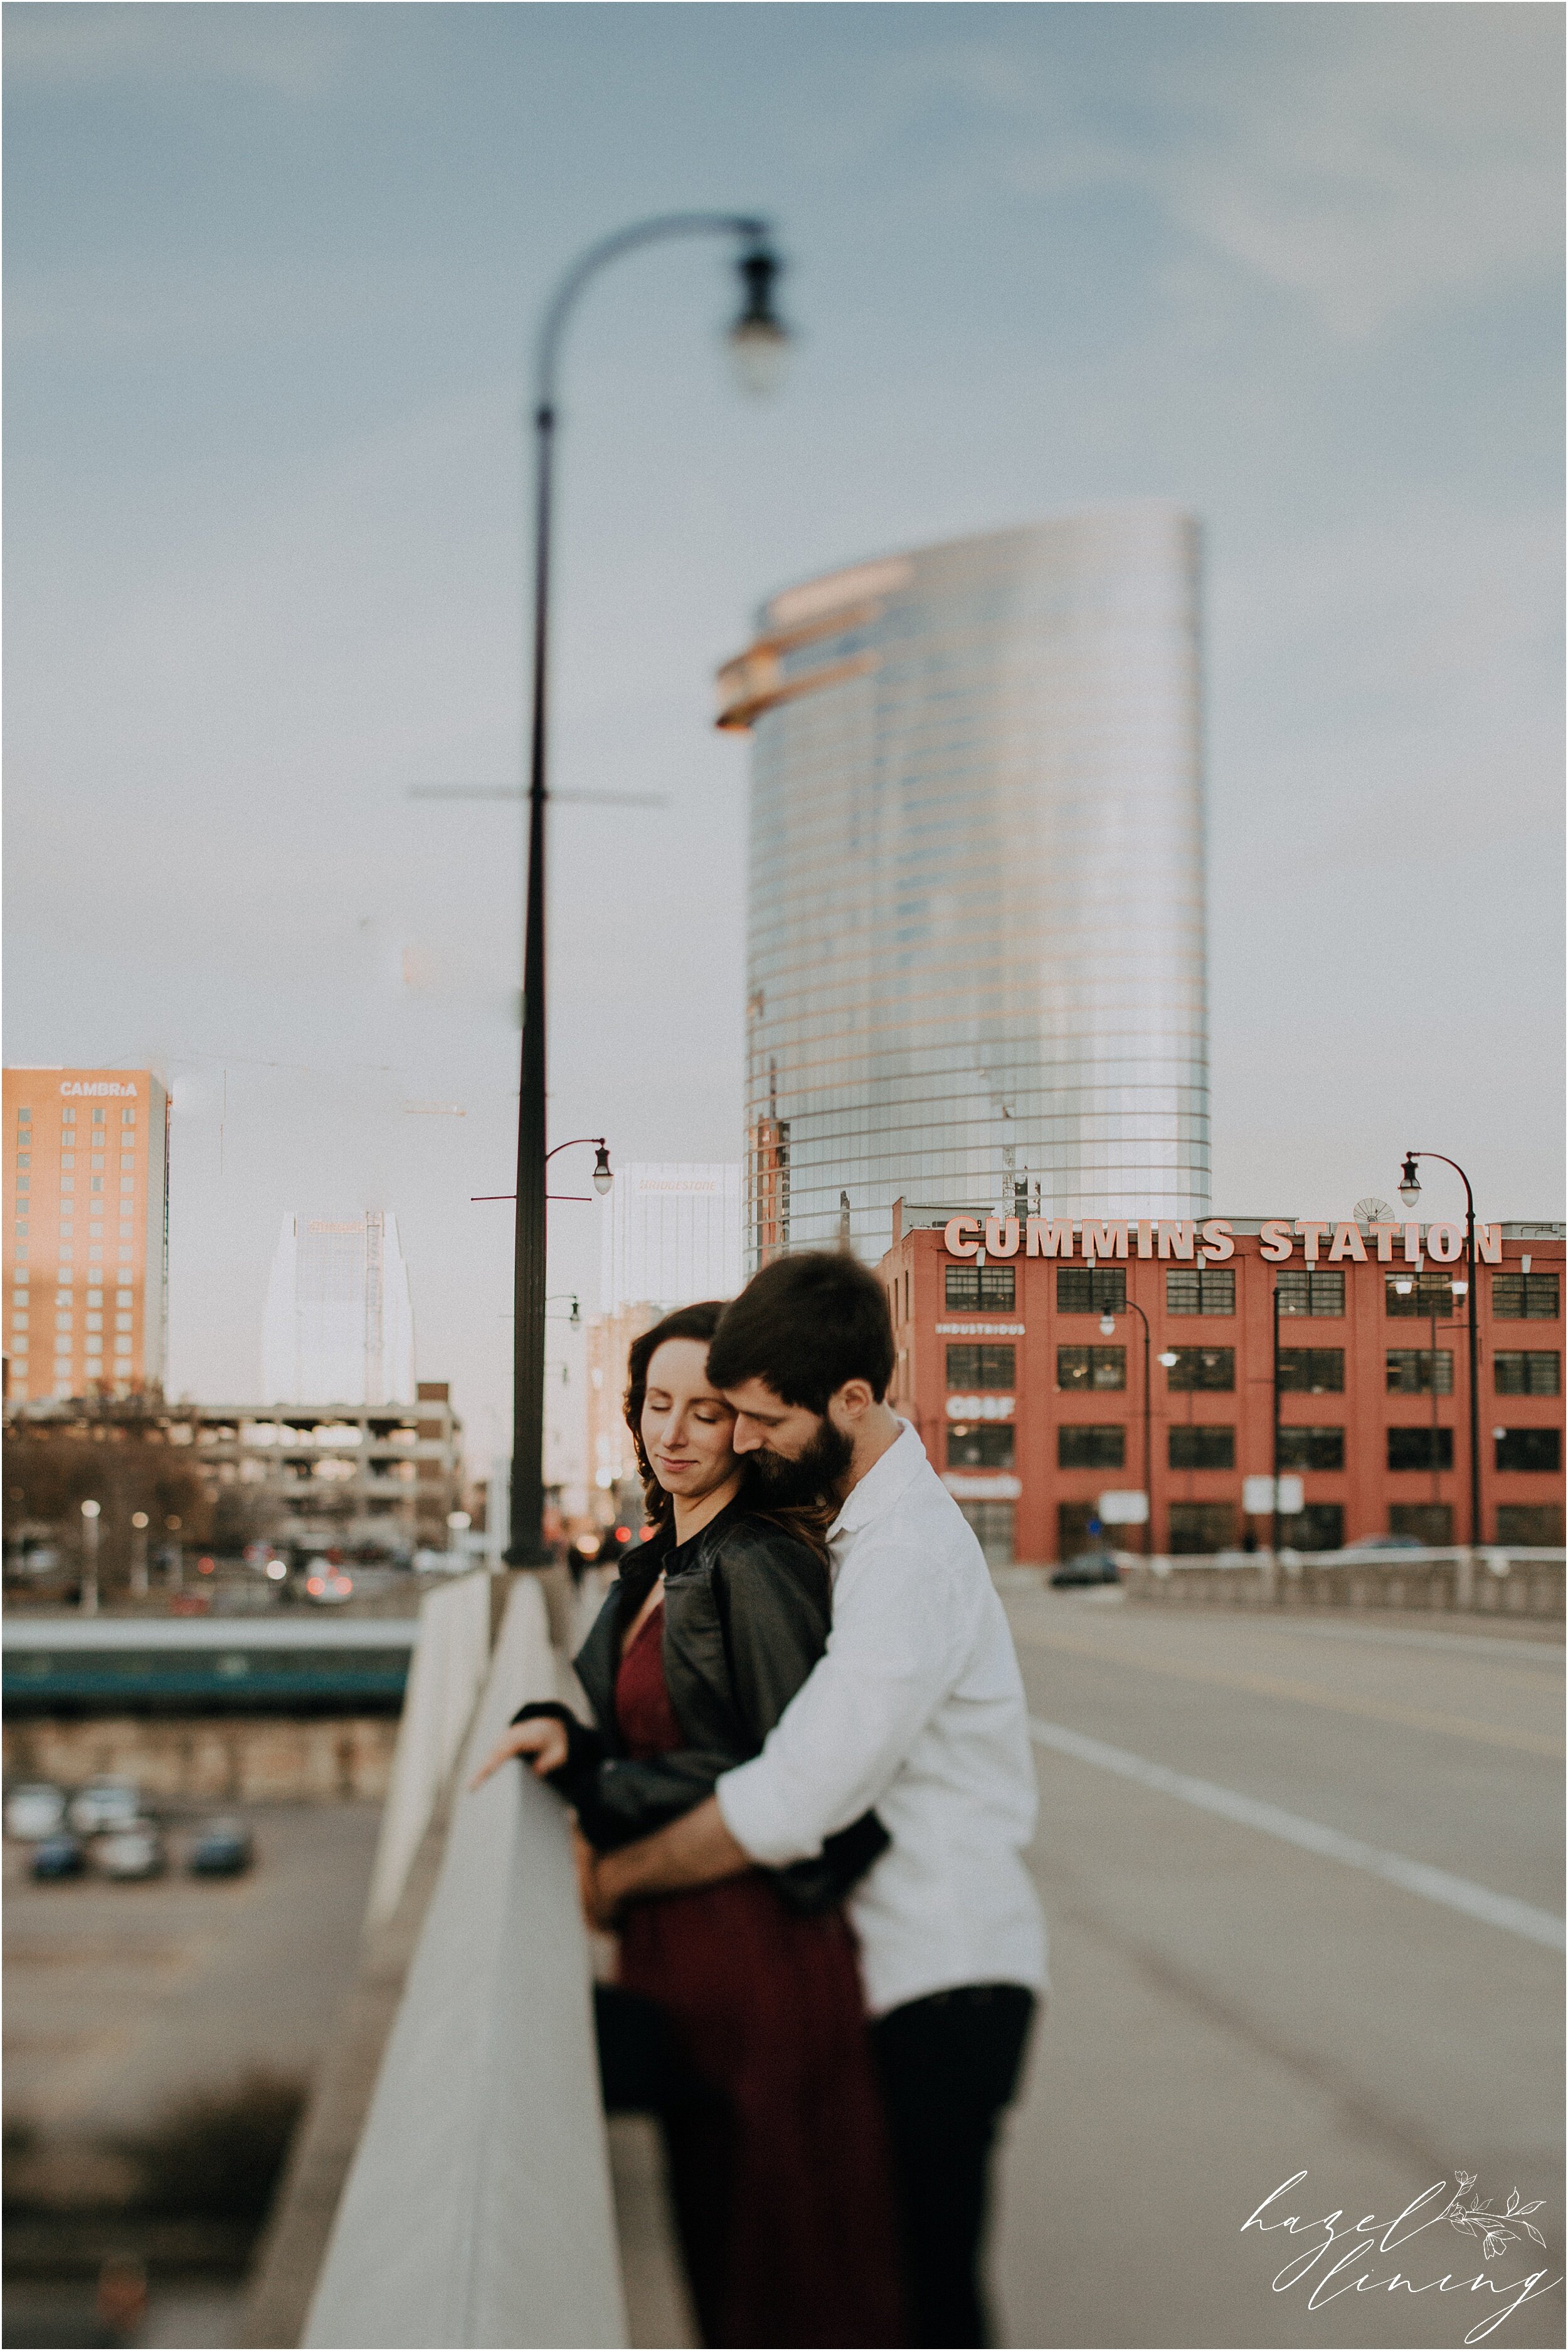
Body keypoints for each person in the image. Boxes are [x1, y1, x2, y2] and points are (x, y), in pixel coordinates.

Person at [581, 1253, 1047, 2350]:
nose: (744, 1442)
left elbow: (798, 1795)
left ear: (851, 1400)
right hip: (906, 1981)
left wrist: (614, 1877)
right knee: (896, 2301)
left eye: (761, 1420)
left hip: (940, 1982)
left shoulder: (906, 1559)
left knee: (925, 2307)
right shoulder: (863, 1533)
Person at [472, 1301, 904, 2350]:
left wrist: (592, 1780)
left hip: (758, 1944)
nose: (673, 1433)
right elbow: (638, 1718)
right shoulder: (658, 1562)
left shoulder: (759, 1565)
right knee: (717, 2242)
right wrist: (565, 1728)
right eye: (656, 1405)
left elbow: (790, 1770)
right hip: (680, 1941)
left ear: (747, 1431)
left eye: (705, 1413)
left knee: (779, 2262)